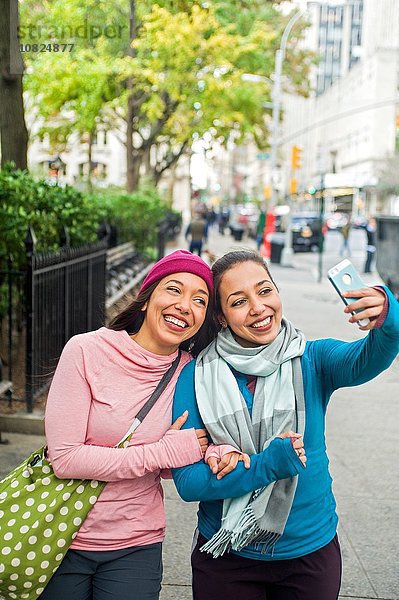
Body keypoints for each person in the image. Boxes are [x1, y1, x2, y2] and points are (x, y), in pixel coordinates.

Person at [172, 250, 399, 600]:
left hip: (310, 551)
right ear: (220, 317)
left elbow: (369, 358)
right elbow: (189, 483)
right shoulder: (196, 376)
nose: (259, 308)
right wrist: (268, 465)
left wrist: (388, 315)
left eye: (265, 291)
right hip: (226, 555)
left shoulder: (312, 358)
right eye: (238, 301)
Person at [41, 250, 216, 600]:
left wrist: (216, 451)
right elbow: (65, 458)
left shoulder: (193, 373)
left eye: (200, 299)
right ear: (147, 297)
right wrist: (162, 452)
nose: (185, 305)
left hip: (137, 542)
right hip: (63, 536)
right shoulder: (87, 350)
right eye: (174, 289)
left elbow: (183, 457)